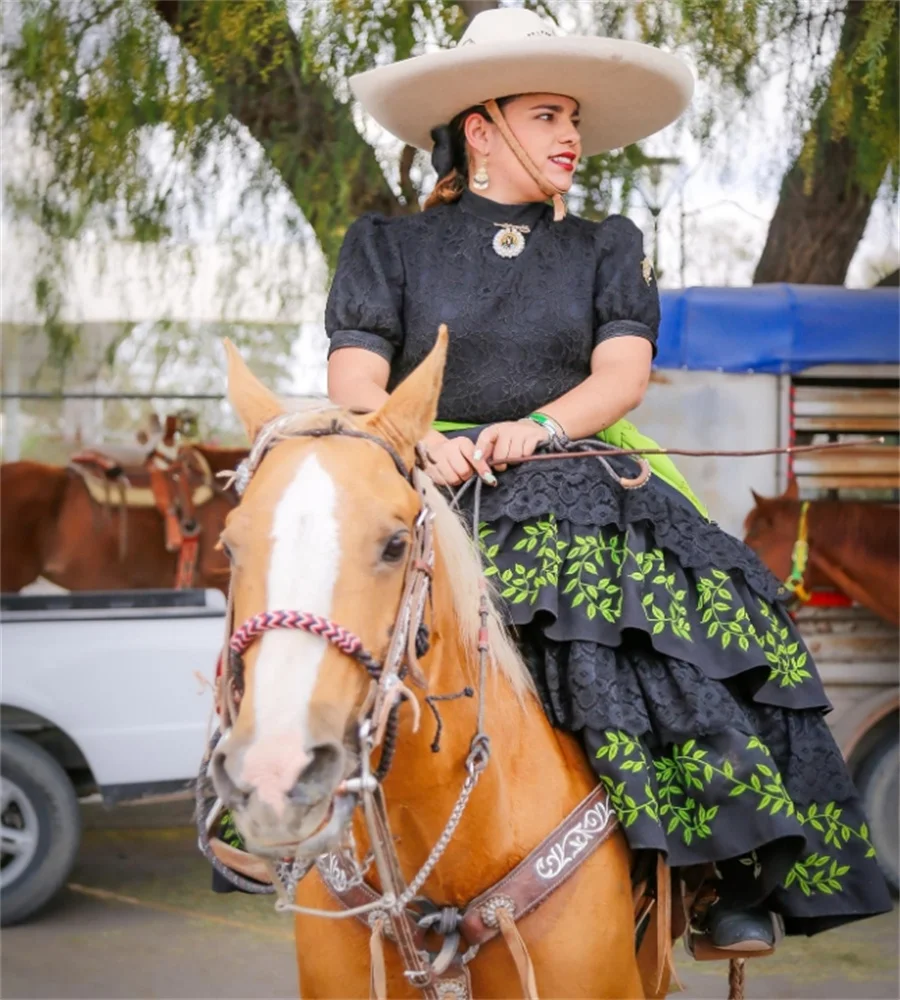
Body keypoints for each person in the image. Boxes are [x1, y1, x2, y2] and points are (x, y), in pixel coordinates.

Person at [325, 7, 892, 953]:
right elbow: (355, 382)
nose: (572, 137)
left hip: (575, 471)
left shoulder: (605, 246)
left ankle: (721, 873)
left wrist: (535, 428)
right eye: (548, 115)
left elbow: (621, 376)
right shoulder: (386, 248)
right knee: (306, 610)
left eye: (574, 119)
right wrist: (418, 442)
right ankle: (267, 815)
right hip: (425, 479)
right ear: (482, 126)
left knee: (718, 619)